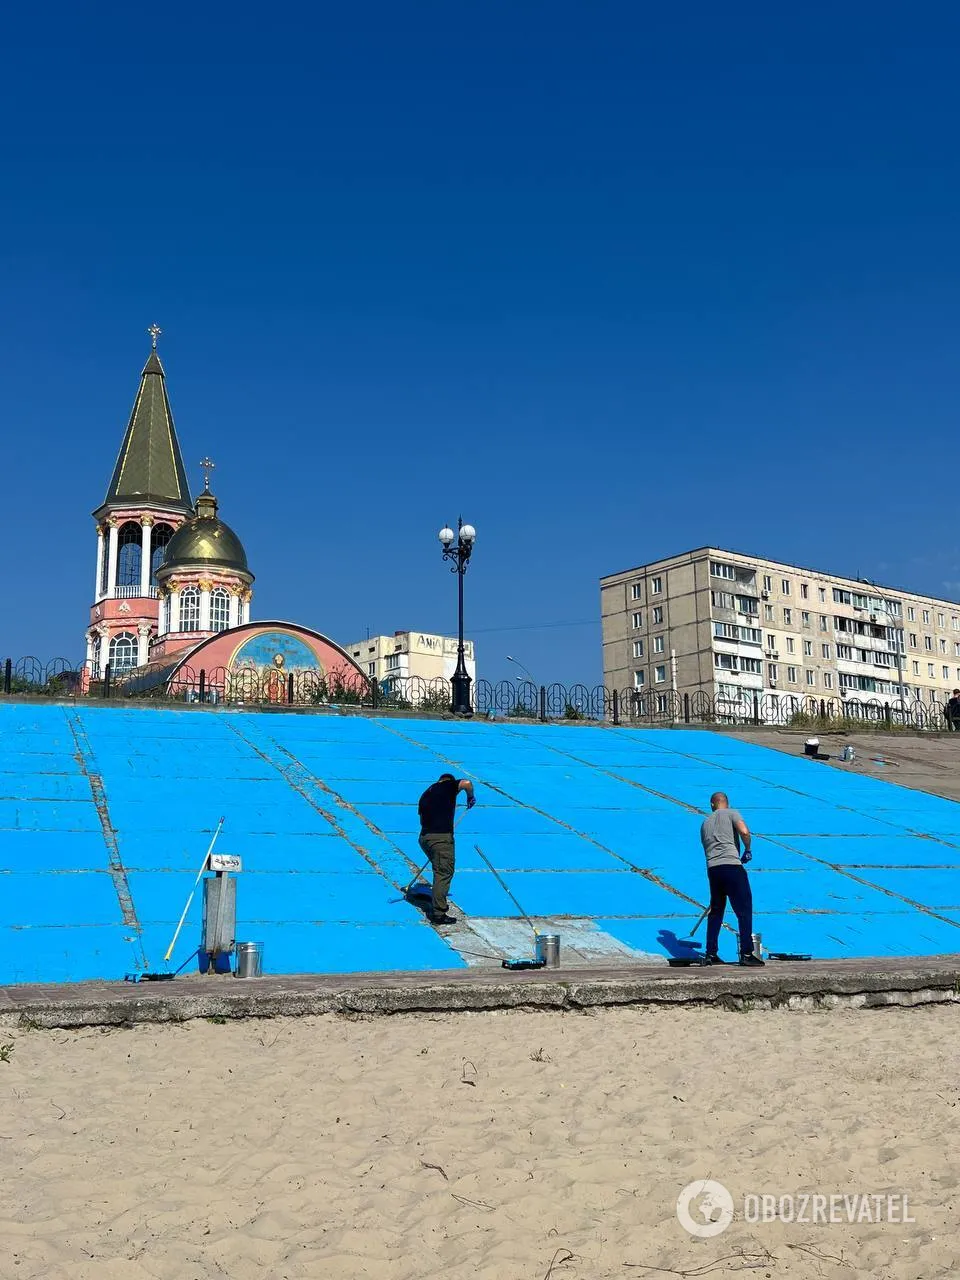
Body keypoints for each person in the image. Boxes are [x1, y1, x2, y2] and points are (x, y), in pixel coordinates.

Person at [699, 791, 764, 966]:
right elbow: (744, 831)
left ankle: (710, 953)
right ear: (726, 802)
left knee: (716, 911)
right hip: (732, 867)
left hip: (713, 870)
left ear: (712, 804)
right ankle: (746, 953)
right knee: (743, 910)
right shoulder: (732, 813)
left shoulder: (705, 823)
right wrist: (747, 849)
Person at [417, 772, 476, 924]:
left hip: (425, 838)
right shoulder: (447, 786)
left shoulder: (426, 794)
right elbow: (467, 783)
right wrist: (470, 796)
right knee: (443, 873)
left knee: (439, 869)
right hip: (441, 839)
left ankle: (437, 904)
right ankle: (439, 914)